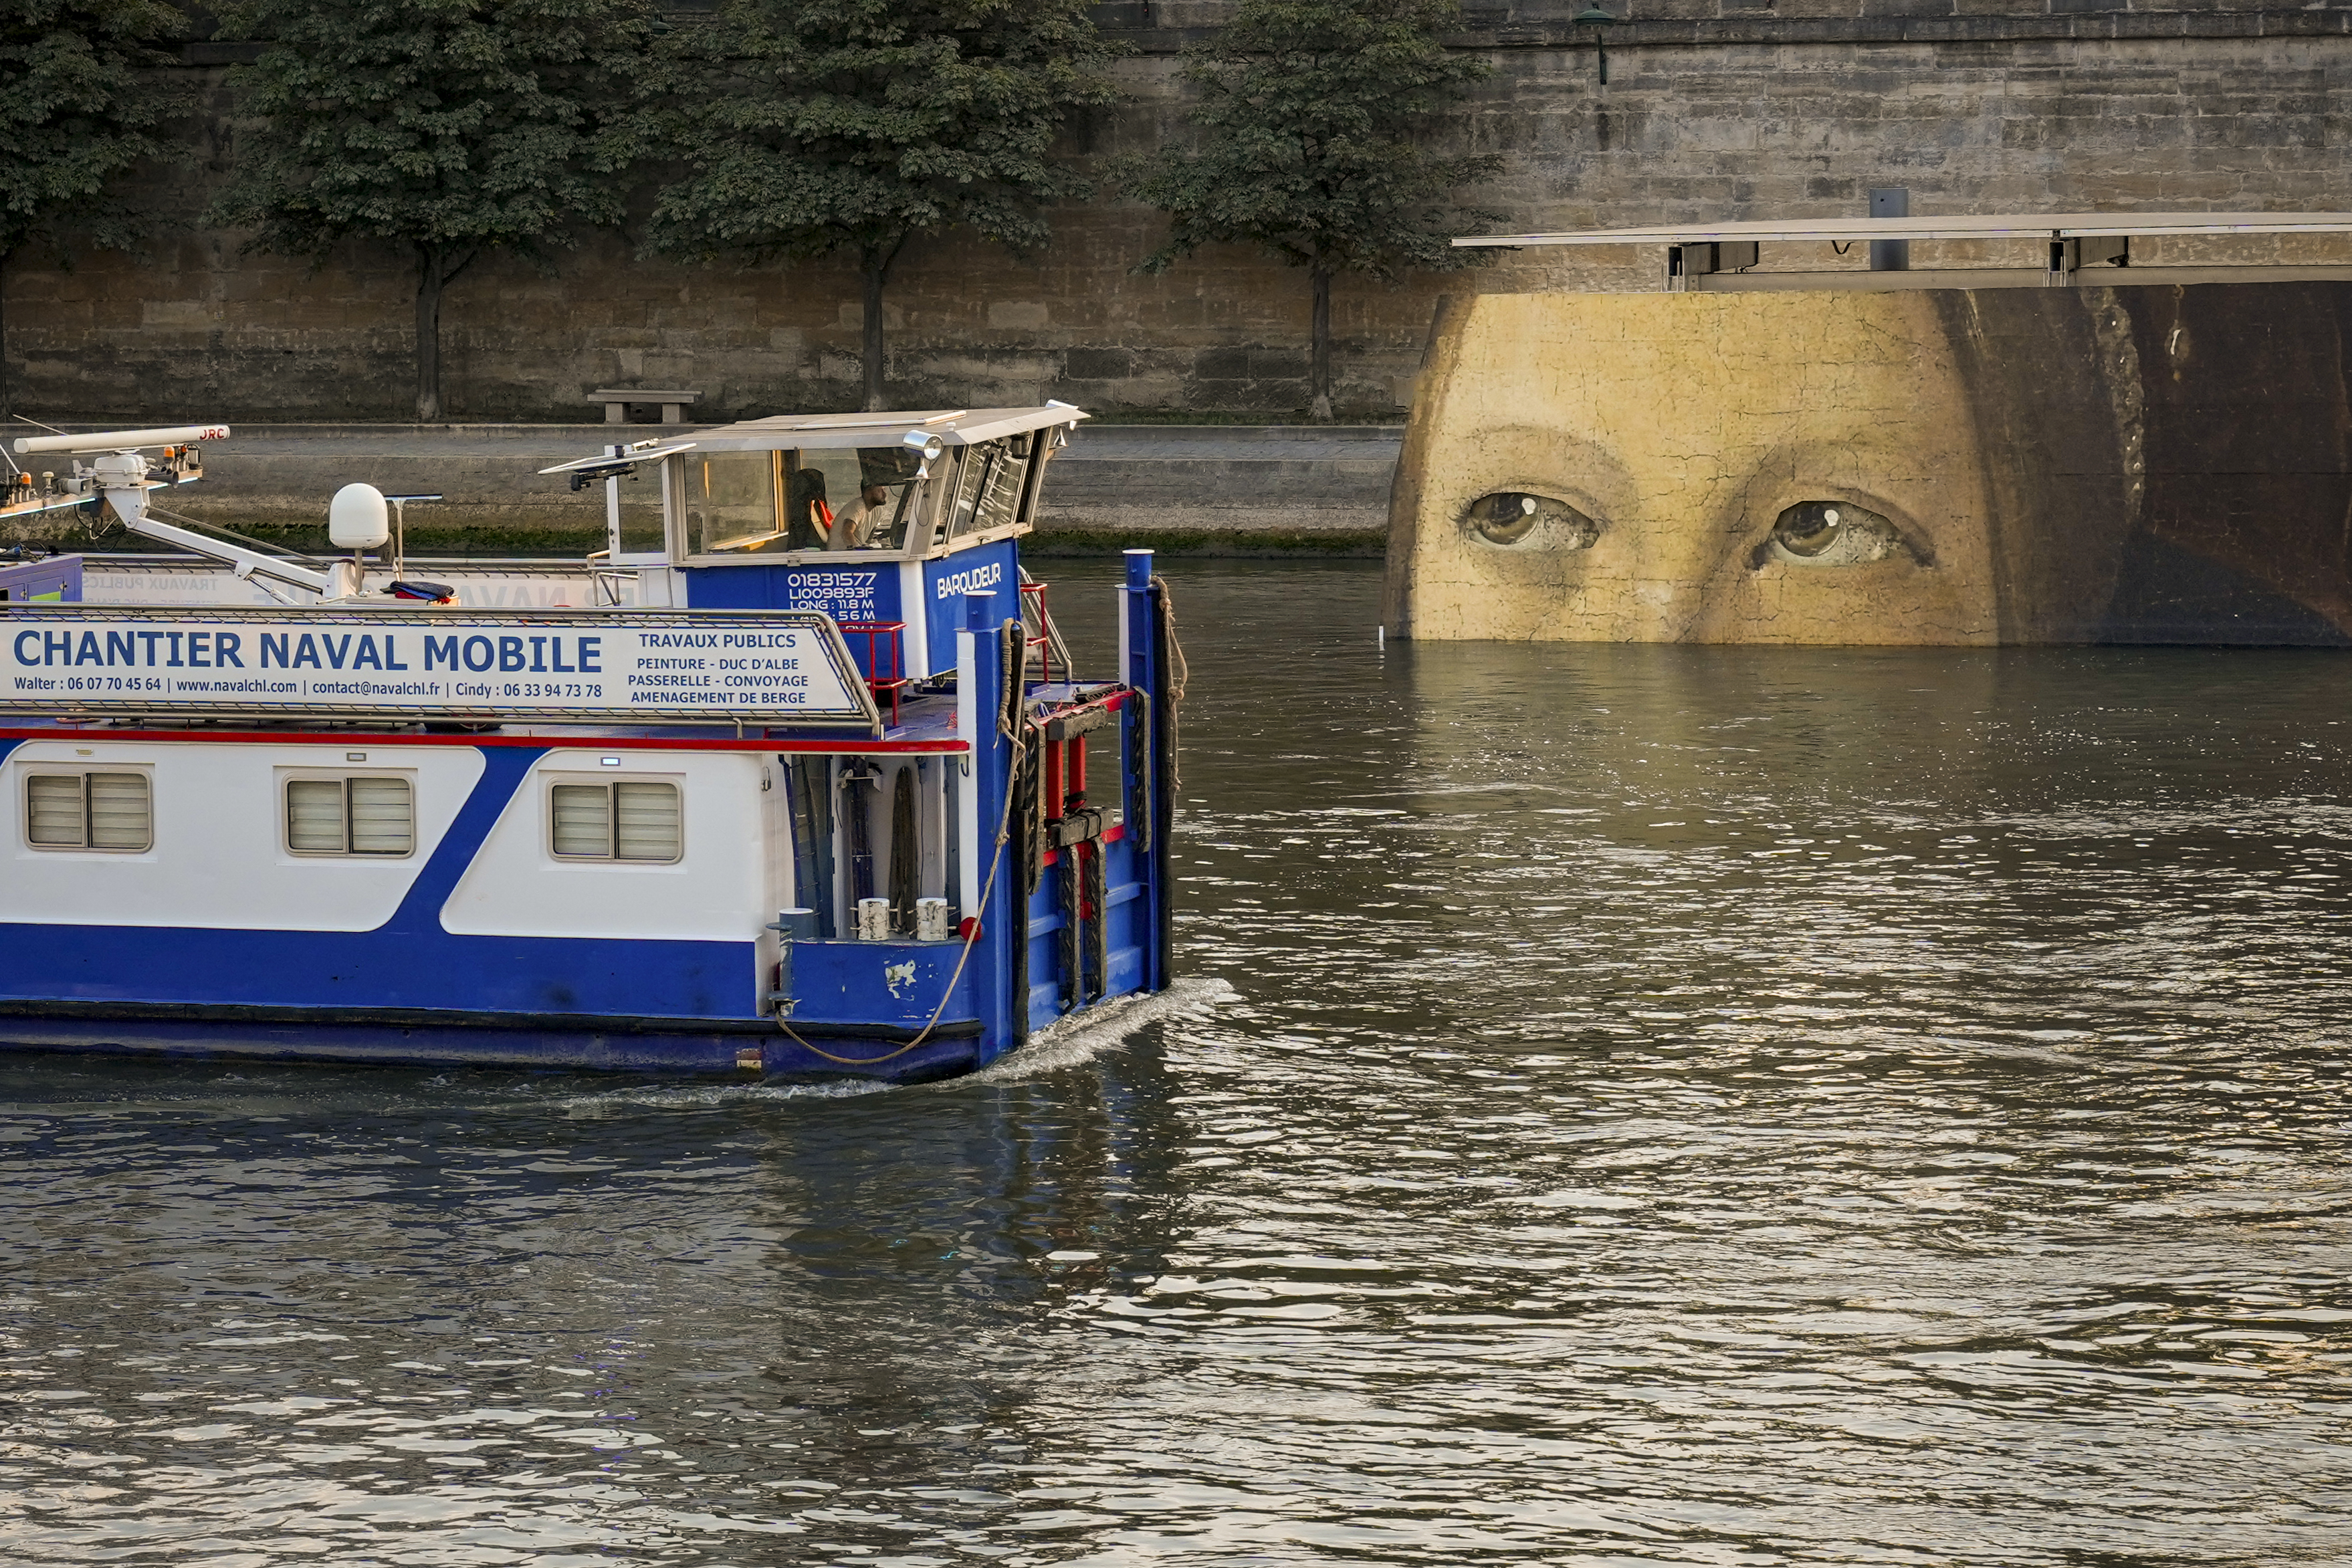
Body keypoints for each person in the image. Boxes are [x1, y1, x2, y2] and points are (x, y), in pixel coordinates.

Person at [829, 484, 893, 550]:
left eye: (884, 490)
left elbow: (869, 539)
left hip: (857, 552)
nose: (885, 494)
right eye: (880, 491)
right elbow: (847, 532)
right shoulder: (857, 506)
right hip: (840, 552)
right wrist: (858, 551)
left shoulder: (877, 510)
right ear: (868, 492)